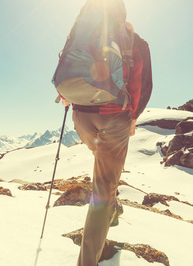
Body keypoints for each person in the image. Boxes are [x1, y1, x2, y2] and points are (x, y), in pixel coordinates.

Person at [61, 16, 152, 265]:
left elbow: (67, 69)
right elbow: (142, 84)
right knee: (103, 186)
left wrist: (66, 96)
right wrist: (132, 117)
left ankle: (110, 209)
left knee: (103, 167)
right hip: (114, 117)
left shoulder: (82, 30)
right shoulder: (135, 42)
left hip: (81, 117)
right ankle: (88, 260)